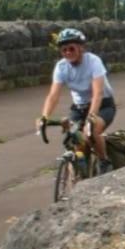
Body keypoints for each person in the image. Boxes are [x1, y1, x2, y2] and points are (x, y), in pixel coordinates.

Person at [36, 28, 116, 174]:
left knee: (90, 132)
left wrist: (91, 117)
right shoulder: (61, 67)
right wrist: (44, 116)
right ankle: (77, 175)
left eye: (71, 48)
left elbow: (97, 93)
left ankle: (104, 161)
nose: (68, 52)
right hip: (79, 108)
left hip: (103, 105)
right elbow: (53, 95)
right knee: (73, 139)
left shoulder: (93, 61)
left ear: (81, 48)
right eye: (64, 50)